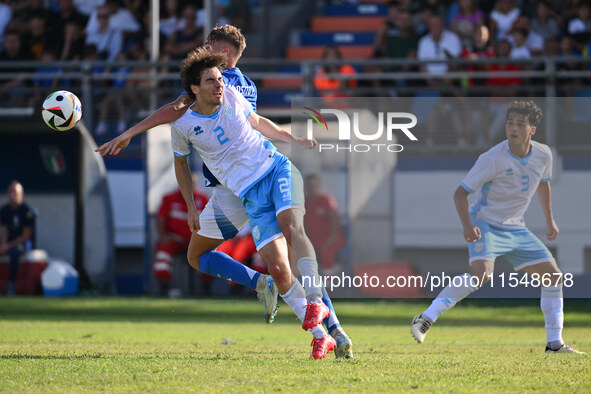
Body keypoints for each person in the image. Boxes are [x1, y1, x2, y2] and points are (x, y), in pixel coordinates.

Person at [96, 25, 353, 359]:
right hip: (232, 188)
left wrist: (131, 131)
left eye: (211, 46)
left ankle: (322, 319)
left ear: (226, 56)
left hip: (249, 180)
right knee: (201, 255)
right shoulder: (239, 86)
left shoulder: (221, 85)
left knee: (292, 237)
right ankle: (290, 302)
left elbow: (175, 109)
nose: (204, 49)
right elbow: (192, 133)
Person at [169, 48, 342, 359]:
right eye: (211, 81)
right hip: (247, 196)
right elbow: (180, 165)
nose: (219, 84)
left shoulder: (234, 94)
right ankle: (321, 335)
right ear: (194, 88)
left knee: (292, 227)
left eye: (220, 79)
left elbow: (260, 121)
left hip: (275, 170)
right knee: (277, 268)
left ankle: (315, 300)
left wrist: (295, 139)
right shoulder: (182, 125)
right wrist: (192, 209)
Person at [411, 100, 585, 355]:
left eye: (520, 124)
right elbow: (460, 193)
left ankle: (554, 344)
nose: (513, 128)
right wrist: (467, 225)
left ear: (532, 129)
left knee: (553, 276)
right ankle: (426, 318)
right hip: (485, 224)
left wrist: (550, 219)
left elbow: (543, 184)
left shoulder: (543, 154)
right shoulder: (492, 158)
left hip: (516, 228)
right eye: (510, 123)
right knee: (481, 275)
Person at [154, 178, 210, 296]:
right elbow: (161, 219)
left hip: (196, 240)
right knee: (162, 251)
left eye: (192, 184)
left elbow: (212, 220)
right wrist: (163, 236)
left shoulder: (203, 198)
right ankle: (164, 287)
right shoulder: (169, 198)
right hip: (175, 240)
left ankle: (206, 288)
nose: (190, 187)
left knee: (210, 253)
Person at [304, 174, 345, 273]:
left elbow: (336, 217)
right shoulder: (303, 202)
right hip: (313, 240)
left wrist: (331, 239)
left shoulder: (326, 200)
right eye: (308, 187)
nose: (311, 189)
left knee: (326, 252)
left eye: (313, 186)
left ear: (318, 186)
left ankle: (328, 284)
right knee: (299, 252)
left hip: (331, 239)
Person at [0, 181, 35, 296]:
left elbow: (26, 235)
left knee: (15, 253)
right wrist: (3, 245)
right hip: (9, 242)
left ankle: (11, 284)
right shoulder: (4, 210)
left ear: (21, 195)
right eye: (10, 192)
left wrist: (8, 246)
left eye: (15, 192)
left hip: (23, 243)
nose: (12, 195)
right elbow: (4, 230)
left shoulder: (27, 211)